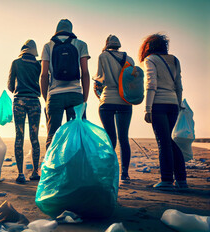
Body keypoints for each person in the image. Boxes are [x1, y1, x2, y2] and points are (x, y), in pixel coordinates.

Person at [139, 33, 187, 190]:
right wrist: (179, 104)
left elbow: (151, 84)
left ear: (148, 47)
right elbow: (179, 85)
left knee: (163, 141)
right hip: (172, 104)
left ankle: (167, 180)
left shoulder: (150, 59)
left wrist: (147, 108)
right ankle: (181, 180)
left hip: (158, 104)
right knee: (168, 141)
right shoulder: (174, 60)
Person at [40, 19, 90, 149]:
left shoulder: (48, 46)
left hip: (55, 95)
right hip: (75, 95)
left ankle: (51, 168)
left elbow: (44, 75)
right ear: (71, 29)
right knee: (76, 137)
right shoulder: (80, 44)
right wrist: (84, 99)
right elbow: (85, 72)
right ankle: (75, 168)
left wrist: (46, 99)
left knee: (52, 137)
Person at [93, 35, 134, 182]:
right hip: (125, 101)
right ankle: (125, 174)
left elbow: (100, 79)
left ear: (107, 44)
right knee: (124, 138)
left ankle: (109, 172)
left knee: (110, 139)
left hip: (108, 100)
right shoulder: (129, 59)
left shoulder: (103, 56)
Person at [7, 39, 41, 184]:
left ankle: (20, 174)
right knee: (34, 137)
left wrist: (17, 89)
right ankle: (35, 172)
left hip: (19, 101)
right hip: (34, 101)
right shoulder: (39, 64)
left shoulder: (16, 63)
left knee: (19, 136)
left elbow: (9, 85)